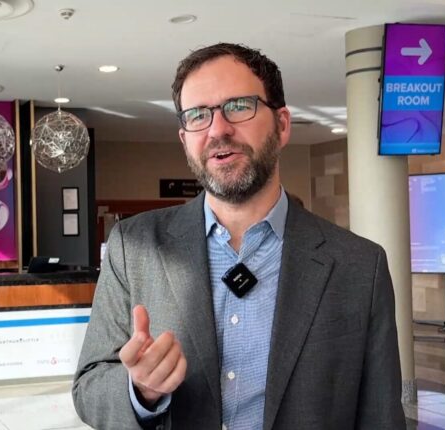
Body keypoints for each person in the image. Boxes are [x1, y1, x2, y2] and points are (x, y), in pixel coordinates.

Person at [72, 43, 404, 429]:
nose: (217, 129)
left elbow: (381, 416)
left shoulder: (359, 266)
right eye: (198, 115)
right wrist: (141, 390)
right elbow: (89, 387)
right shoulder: (134, 246)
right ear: (185, 140)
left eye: (239, 106)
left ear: (282, 125)